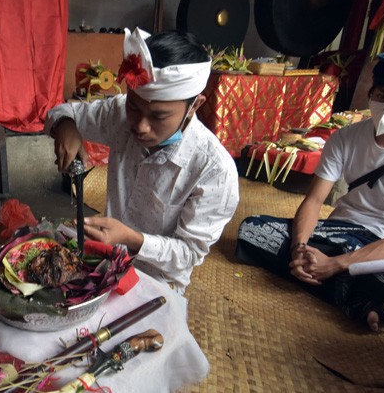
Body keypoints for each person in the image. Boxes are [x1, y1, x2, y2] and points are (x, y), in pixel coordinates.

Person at [235, 46, 384, 331]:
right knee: (252, 230)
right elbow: (313, 201)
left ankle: (333, 279)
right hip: (338, 231)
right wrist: (300, 247)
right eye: (382, 96)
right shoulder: (345, 137)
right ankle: (355, 299)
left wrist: (335, 264)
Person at [45, 28, 240, 294]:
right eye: (134, 106)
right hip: (106, 263)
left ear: (194, 105)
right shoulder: (121, 115)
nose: (141, 126)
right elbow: (61, 111)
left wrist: (131, 239)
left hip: (158, 284)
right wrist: (66, 125)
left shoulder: (214, 171)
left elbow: (188, 254)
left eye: (159, 116)